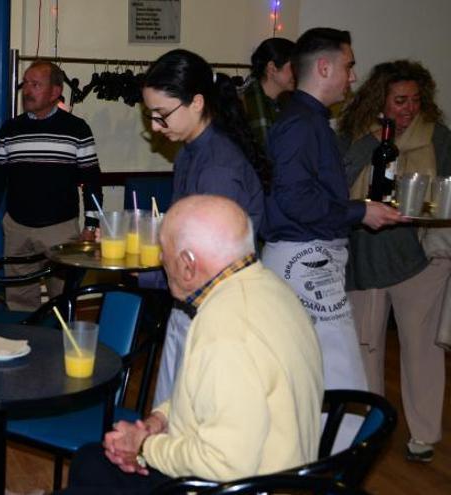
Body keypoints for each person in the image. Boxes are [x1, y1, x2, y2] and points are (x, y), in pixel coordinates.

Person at [64, 195, 323, 493]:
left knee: (92, 470)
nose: (160, 260)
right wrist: (157, 422)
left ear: (187, 264)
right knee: (91, 461)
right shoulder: (270, 288)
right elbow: (212, 394)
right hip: (278, 469)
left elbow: (224, 464)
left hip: (241, 485)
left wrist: (146, 447)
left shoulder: (226, 332)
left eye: (164, 251)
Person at [260, 28, 405, 450]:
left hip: (308, 257)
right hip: (305, 261)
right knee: (336, 374)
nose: (353, 77)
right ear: (324, 67)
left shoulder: (307, 121)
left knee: (320, 372)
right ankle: (331, 469)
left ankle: (311, 460)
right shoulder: (301, 125)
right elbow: (295, 200)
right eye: (348, 65)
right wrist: (361, 210)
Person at [138, 48, 269, 406]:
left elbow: (208, 267)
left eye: (162, 115)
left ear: (196, 103)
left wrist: (140, 273)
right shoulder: (191, 152)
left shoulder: (217, 168)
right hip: (192, 305)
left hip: (215, 310)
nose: (154, 126)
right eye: (150, 115)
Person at [338, 60, 451, 462]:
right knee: (365, 347)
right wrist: (373, 141)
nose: (408, 109)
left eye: (415, 101)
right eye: (399, 100)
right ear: (379, 100)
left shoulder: (438, 138)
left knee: (421, 349)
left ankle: (423, 436)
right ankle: (372, 427)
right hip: (364, 255)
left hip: (420, 258)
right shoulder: (356, 135)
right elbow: (336, 184)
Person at [0, 61, 102, 311]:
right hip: (17, 228)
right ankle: (24, 346)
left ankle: (59, 347)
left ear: (55, 92)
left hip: (60, 230)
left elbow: (92, 180)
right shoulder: (10, 129)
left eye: (36, 85)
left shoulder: (77, 129)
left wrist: (91, 225)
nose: (28, 91)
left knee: (62, 300)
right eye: (26, 84)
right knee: (19, 300)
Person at [241, 37, 296, 149]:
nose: (297, 72)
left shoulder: (283, 102)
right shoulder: (250, 101)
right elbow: (266, 151)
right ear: (272, 68)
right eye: (292, 67)